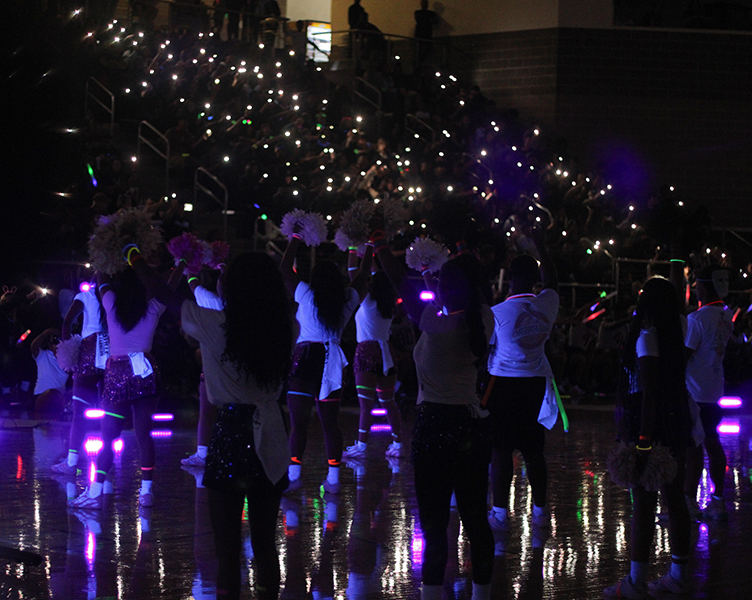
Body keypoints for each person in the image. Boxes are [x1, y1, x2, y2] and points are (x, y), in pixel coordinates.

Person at [133, 250, 293, 600]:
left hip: (232, 432)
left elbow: (163, 295)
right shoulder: (286, 327)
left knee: (226, 552)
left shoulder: (214, 324)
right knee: (266, 545)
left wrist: (134, 256)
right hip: (273, 431)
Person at [374, 232, 495, 600]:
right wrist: (436, 278)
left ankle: (431, 594)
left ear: (447, 290)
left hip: (433, 429)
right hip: (472, 428)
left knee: (435, 523)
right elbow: (455, 304)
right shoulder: (484, 321)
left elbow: (400, 283)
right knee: (476, 519)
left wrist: (379, 245)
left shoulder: (431, 323)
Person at [605, 276, 692, 599]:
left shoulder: (647, 336)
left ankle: (636, 582)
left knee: (643, 503)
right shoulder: (677, 329)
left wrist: (642, 438)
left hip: (649, 424)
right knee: (675, 500)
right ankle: (679, 576)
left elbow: (648, 390)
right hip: (676, 418)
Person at [280, 233, 372, 493]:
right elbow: (363, 277)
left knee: (298, 423)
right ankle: (333, 480)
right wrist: (371, 246)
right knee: (330, 423)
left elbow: (285, 268)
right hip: (331, 362)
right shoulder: (347, 299)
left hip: (306, 359)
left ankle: (294, 475)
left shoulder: (306, 294)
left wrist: (295, 237)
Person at [69, 267, 166, 509]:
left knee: (108, 437)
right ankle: (146, 492)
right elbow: (169, 288)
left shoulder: (111, 302)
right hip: (145, 373)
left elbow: (102, 279)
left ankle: (94, 492)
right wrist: (184, 262)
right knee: (144, 435)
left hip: (118, 374)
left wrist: (105, 256)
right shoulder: (154, 306)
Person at [485, 226, 558, 533]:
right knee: (533, 450)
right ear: (535, 279)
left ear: (510, 277)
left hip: (502, 384)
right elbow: (553, 282)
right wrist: (542, 247)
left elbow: (486, 348)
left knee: (501, 451)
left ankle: (500, 515)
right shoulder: (547, 305)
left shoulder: (497, 312)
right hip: (536, 383)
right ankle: (540, 513)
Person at [342, 249, 403, 460]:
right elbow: (376, 276)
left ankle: (361, 446)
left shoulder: (367, 301)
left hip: (367, 352)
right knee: (389, 403)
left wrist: (352, 248)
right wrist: (369, 252)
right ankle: (398, 443)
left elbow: (354, 275)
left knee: (366, 404)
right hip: (387, 353)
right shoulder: (389, 304)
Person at [683, 264, 733, 520]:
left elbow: (686, 354)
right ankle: (718, 500)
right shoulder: (726, 315)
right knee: (712, 444)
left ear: (703, 286)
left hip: (694, 392)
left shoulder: (697, 319)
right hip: (714, 390)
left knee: (693, 448)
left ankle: (689, 502)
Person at [52, 282, 108, 476]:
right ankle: (105, 463)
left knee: (80, 411)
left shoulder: (86, 295)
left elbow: (66, 323)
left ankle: (72, 462)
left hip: (89, 350)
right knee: (110, 411)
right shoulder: (116, 294)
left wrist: (68, 349)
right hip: (113, 351)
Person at [31, 328, 68, 416]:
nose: (57, 346)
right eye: (55, 344)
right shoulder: (43, 355)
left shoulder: (67, 359)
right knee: (50, 393)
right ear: (50, 345)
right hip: (41, 396)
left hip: (59, 399)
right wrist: (46, 333)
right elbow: (34, 346)